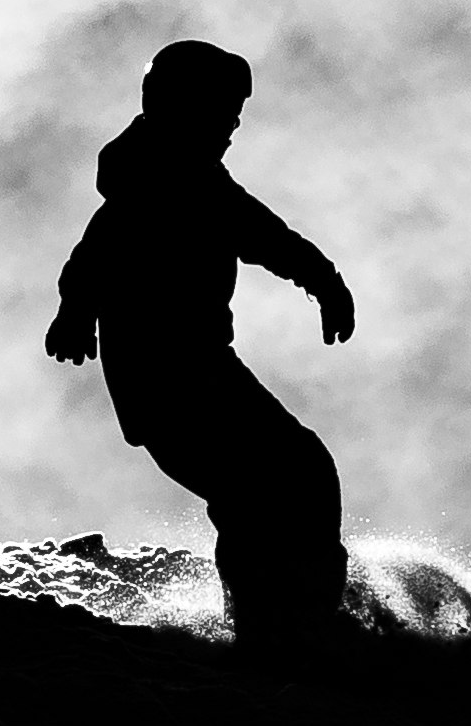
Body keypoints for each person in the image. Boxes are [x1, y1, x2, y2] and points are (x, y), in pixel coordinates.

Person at [45, 38, 356, 663]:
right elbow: (97, 256)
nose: (233, 129)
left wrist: (323, 281)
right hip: (176, 381)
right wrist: (76, 313)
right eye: (224, 115)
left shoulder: (176, 179)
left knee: (274, 482)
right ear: (182, 109)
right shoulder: (166, 183)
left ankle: (283, 615)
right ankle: (287, 621)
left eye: (236, 116)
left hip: (189, 376)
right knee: (284, 476)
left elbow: (262, 234)